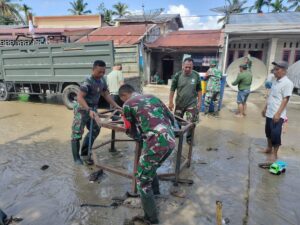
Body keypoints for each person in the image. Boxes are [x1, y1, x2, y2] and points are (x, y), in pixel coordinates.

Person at [119, 84, 175, 225]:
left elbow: (130, 130)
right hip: (170, 140)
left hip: (156, 143)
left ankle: (151, 219)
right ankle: (155, 193)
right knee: (150, 167)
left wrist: (138, 136)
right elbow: (171, 118)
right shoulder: (152, 97)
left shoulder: (127, 104)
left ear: (124, 96)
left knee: (142, 181)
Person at [71, 60, 121, 165]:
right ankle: (76, 159)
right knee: (77, 133)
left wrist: (116, 105)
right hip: (82, 109)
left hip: (93, 109)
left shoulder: (102, 80)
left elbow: (106, 94)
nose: (101, 74)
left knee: (95, 129)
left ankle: (85, 153)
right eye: (99, 72)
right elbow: (80, 97)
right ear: (93, 70)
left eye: (103, 72)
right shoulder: (87, 81)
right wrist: (88, 110)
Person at [261, 61, 293, 162]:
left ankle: (274, 154)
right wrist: (265, 107)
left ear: (283, 71)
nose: (274, 71)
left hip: (277, 114)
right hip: (270, 112)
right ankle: (269, 148)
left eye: (277, 69)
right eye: (274, 69)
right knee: (268, 132)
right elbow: (271, 96)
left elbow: (285, 99)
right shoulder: (275, 81)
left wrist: (278, 113)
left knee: (275, 134)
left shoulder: (287, 83)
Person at [169, 57, 202, 144]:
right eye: (186, 67)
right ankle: (178, 134)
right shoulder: (178, 75)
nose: (187, 69)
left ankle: (189, 139)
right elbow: (172, 89)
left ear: (192, 66)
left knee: (191, 122)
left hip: (191, 103)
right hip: (180, 103)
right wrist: (170, 102)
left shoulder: (196, 75)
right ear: (183, 66)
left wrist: (199, 102)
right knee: (177, 120)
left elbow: (199, 89)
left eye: (189, 67)